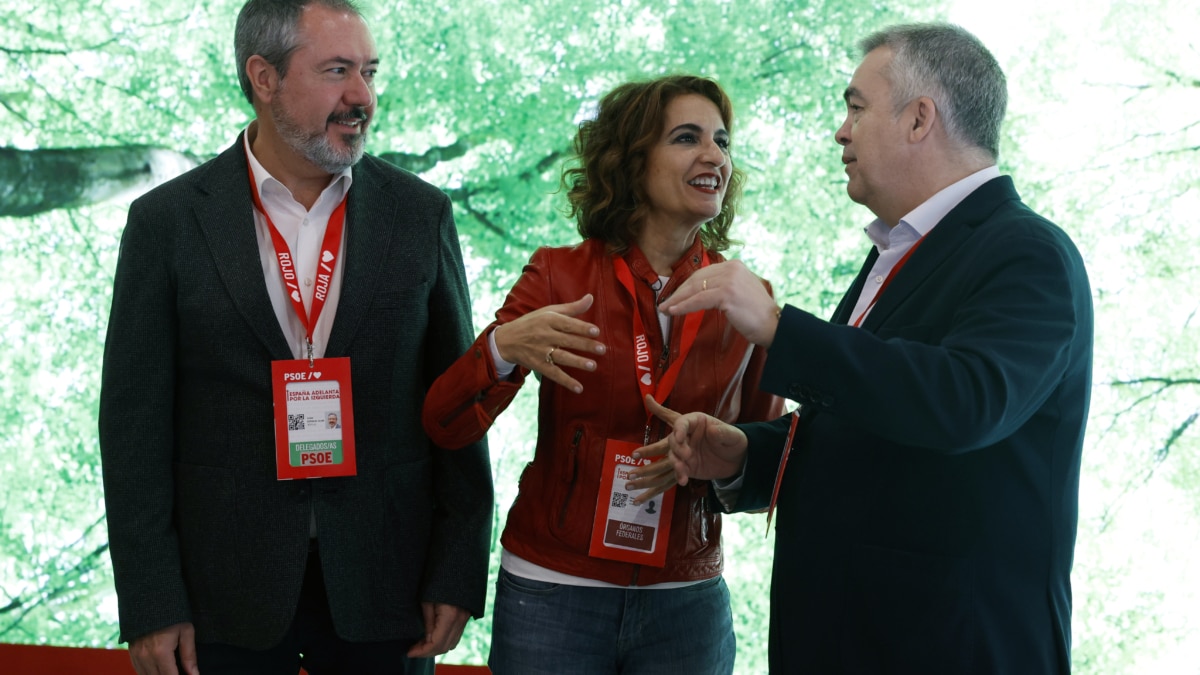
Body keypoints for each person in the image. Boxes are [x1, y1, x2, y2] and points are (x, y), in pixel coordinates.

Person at [629, 23, 1094, 674]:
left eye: (855, 107)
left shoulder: (1028, 252)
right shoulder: (899, 254)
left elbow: (965, 401)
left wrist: (778, 326)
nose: (840, 131)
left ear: (919, 119)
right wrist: (748, 454)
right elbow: (871, 425)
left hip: (945, 648)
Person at [98, 1, 492, 673]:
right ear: (264, 77)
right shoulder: (165, 223)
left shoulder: (420, 215)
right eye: (337, 71)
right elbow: (133, 427)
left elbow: (458, 401)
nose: (362, 97)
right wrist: (150, 597)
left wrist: (457, 569)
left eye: (369, 72)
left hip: (384, 581)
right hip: (220, 594)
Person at [422, 75, 783, 674]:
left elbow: (765, 476)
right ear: (631, 158)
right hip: (551, 591)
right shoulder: (555, 275)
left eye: (722, 142)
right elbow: (444, 424)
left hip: (686, 604)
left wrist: (725, 459)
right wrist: (502, 348)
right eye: (687, 137)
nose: (714, 156)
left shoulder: (748, 299)